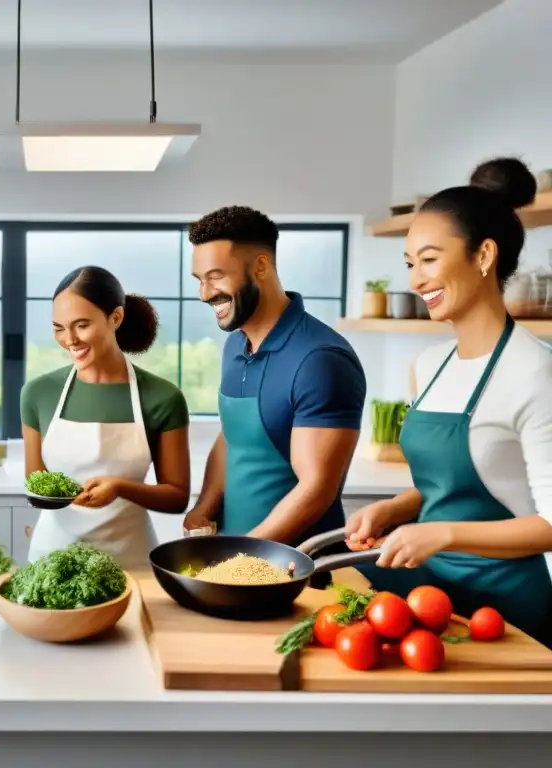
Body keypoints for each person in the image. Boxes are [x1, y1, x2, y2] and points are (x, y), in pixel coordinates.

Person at [345, 157, 552, 647]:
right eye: (411, 264)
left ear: (484, 256)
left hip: (507, 612)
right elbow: (449, 484)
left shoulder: (536, 372)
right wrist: (396, 508)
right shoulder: (430, 364)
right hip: (430, 595)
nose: (417, 280)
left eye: (430, 259)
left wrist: (443, 533)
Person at [182, 206, 367, 549]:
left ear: (261, 267)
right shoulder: (235, 345)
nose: (205, 293)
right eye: (200, 280)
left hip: (297, 567)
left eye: (216, 276)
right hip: (233, 554)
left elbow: (316, 489)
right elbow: (232, 437)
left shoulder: (321, 359)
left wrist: (242, 556)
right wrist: (204, 507)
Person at [20, 266, 191, 569]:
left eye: (81, 325)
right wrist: (50, 508)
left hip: (130, 561)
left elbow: (176, 496)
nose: (69, 339)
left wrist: (120, 487)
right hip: (52, 559)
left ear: (116, 318)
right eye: (59, 328)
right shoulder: (38, 393)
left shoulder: (163, 397)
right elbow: (35, 482)